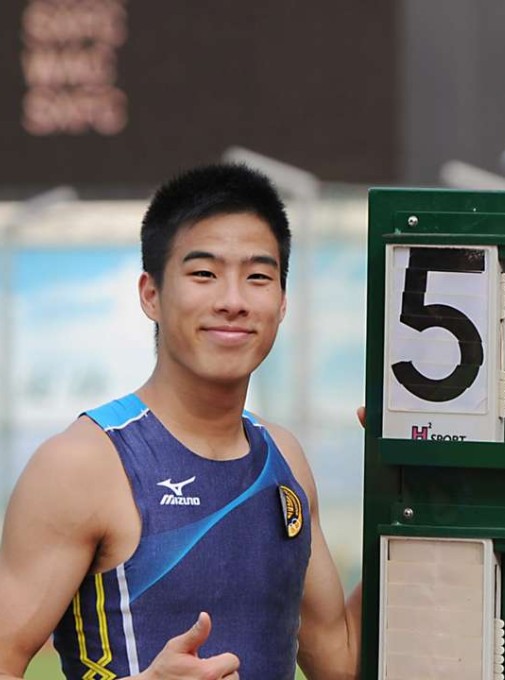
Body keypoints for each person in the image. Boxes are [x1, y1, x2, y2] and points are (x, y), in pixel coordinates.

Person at [0, 163, 361, 679]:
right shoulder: (84, 464)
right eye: (204, 274)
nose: (233, 301)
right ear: (151, 294)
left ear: (282, 303)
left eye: (258, 277)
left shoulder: (284, 459)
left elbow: (341, 664)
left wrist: (414, 489)